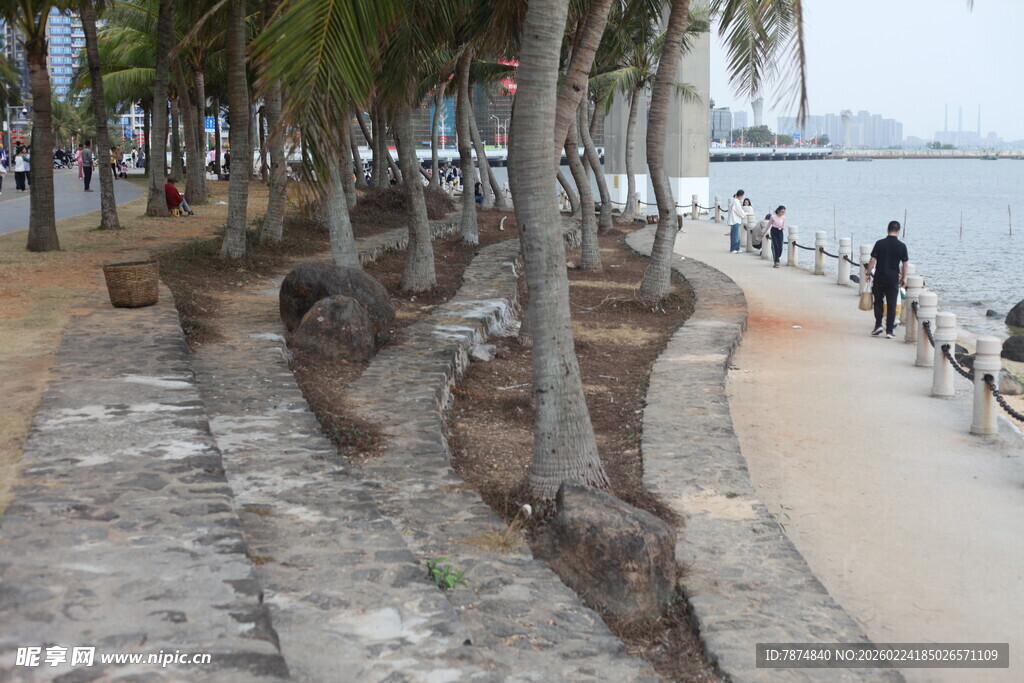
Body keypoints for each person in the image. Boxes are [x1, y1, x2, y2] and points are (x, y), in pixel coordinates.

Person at [865, 220, 909, 339]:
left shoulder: (879, 243)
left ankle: (878, 325)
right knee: (891, 304)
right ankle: (889, 331)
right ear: (898, 231)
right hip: (893, 279)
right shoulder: (902, 246)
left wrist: (868, 273)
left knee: (878, 302)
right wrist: (904, 277)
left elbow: (872, 260)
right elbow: (905, 264)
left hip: (879, 277)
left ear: (887, 230)